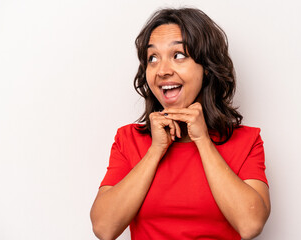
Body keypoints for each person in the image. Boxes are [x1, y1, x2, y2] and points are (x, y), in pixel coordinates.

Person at [90, 7, 270, 240]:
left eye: (178, 55)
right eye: (152, 58)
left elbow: (250, 224)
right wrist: (155, 150)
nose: (162, 71)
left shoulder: (246, 141)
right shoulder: (128, 140)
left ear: (207, 68)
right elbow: (104, 228)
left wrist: (203, 140)